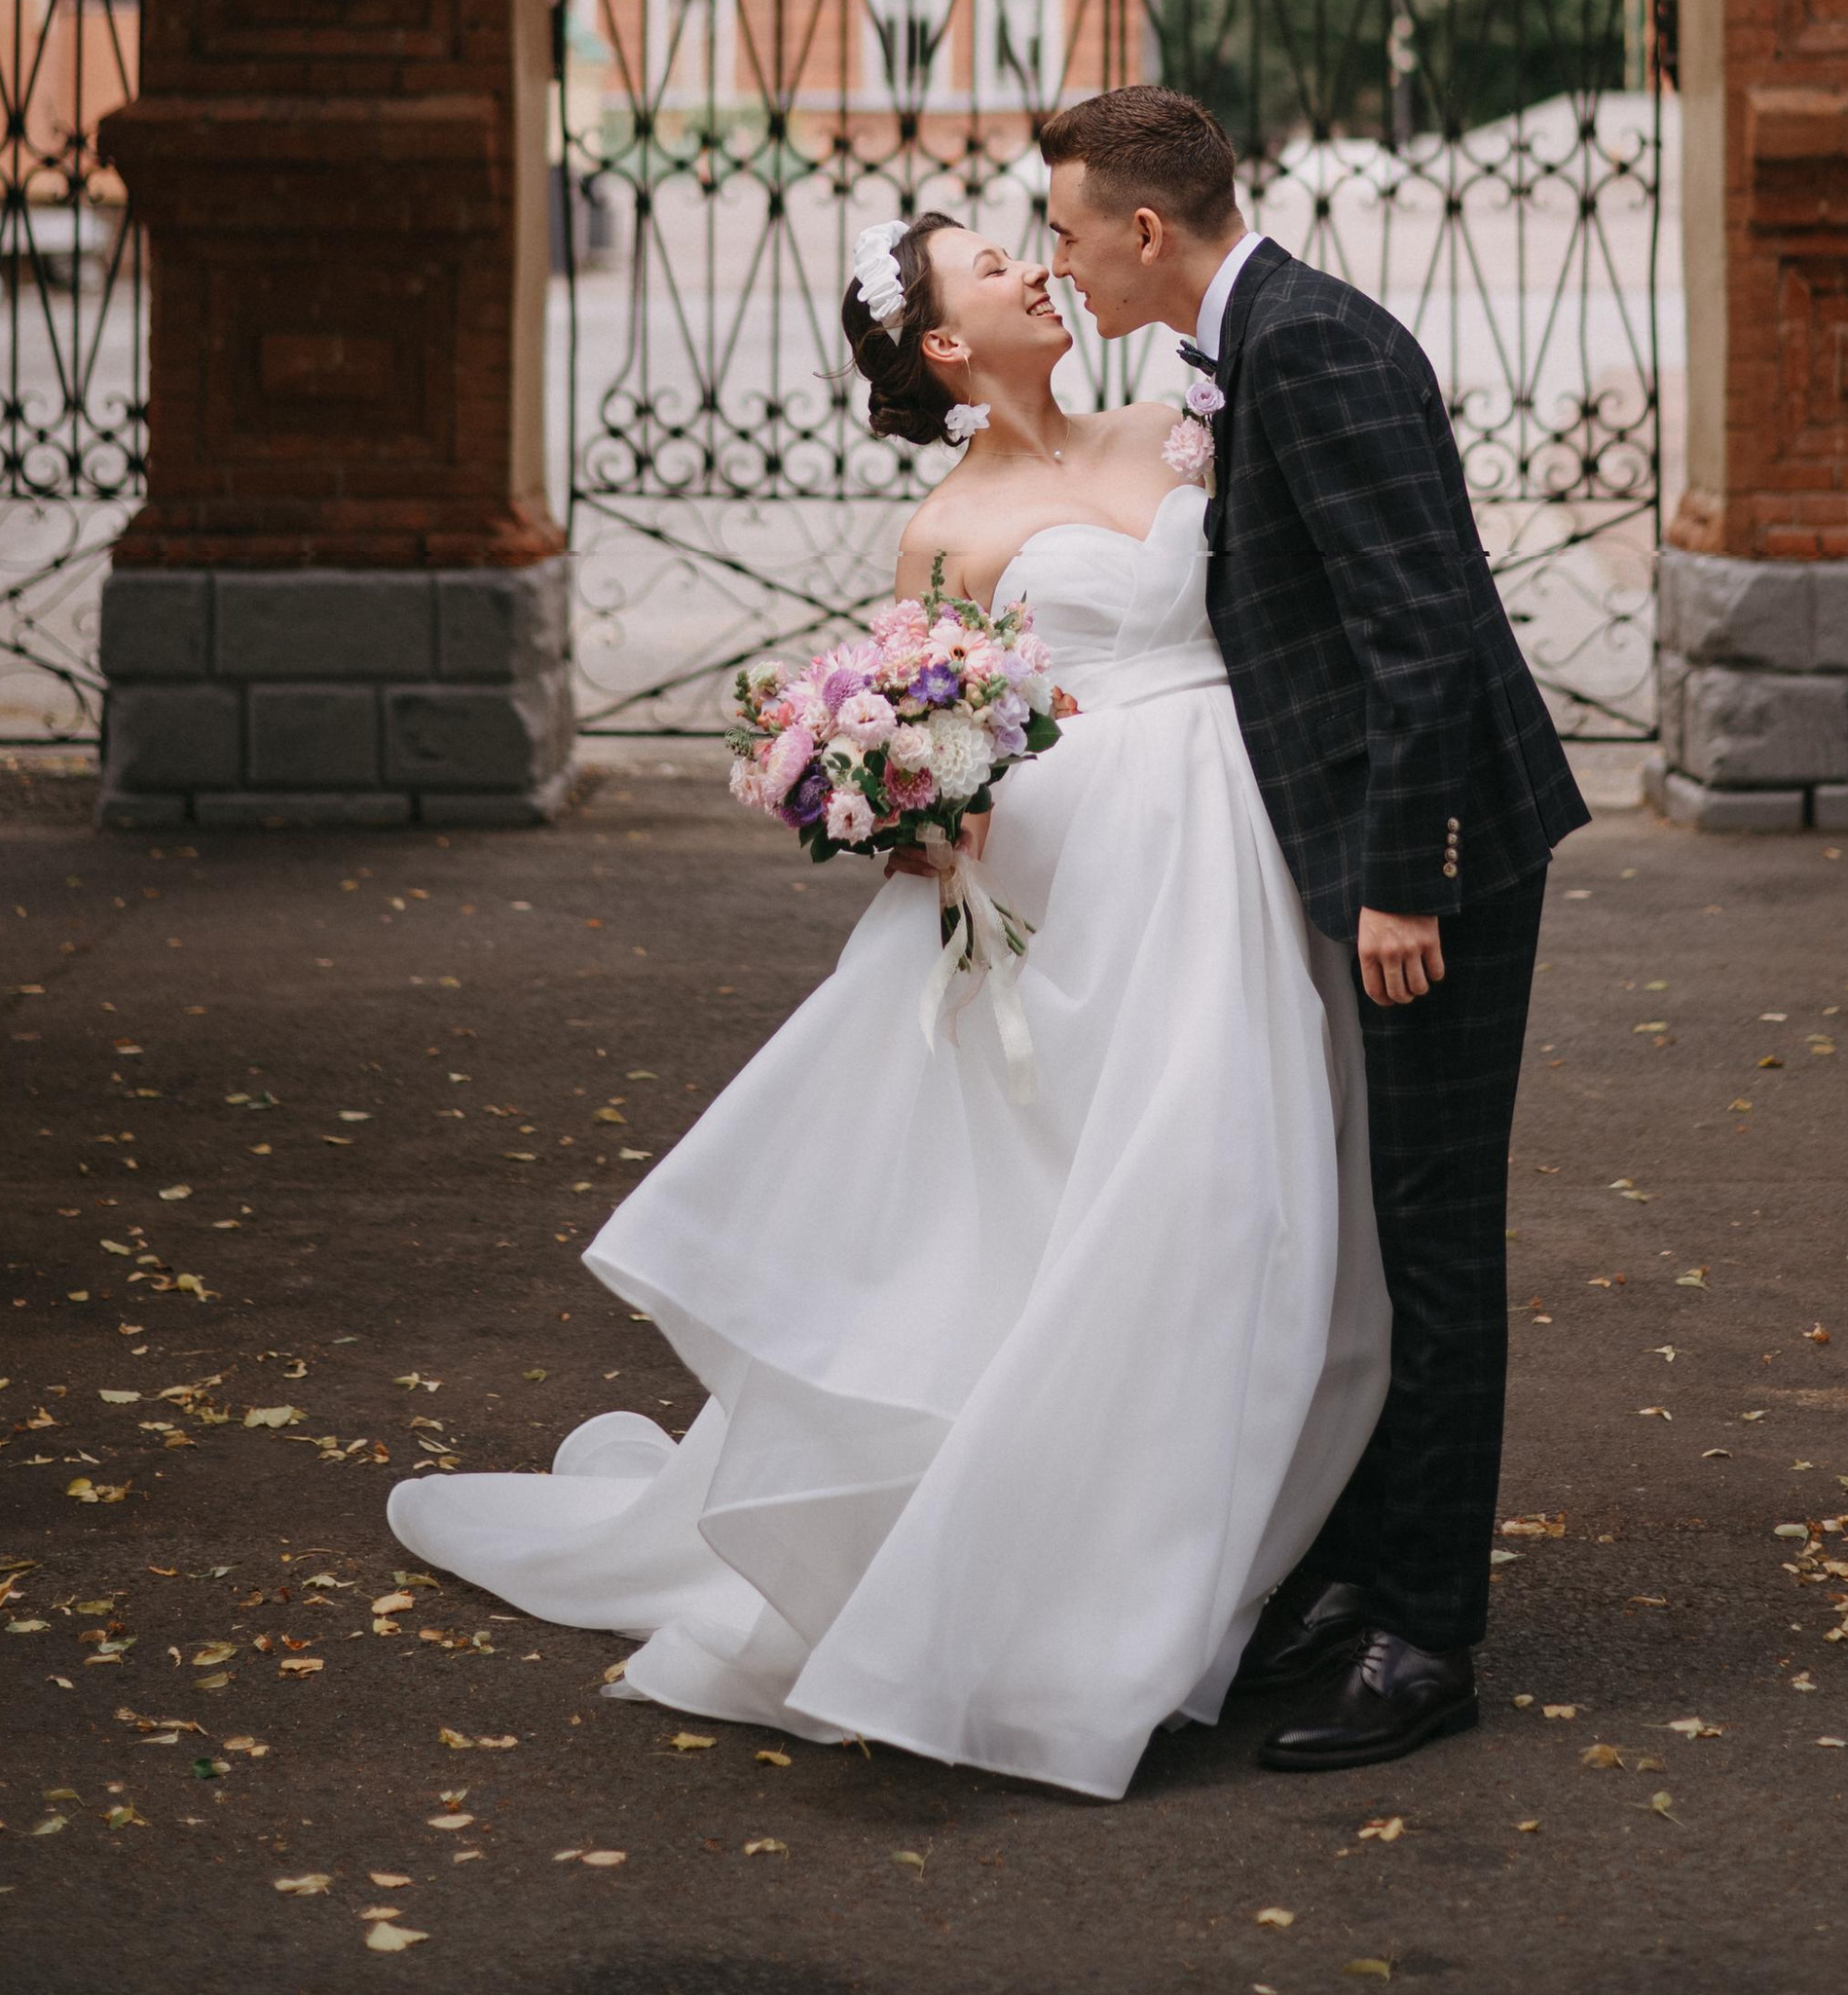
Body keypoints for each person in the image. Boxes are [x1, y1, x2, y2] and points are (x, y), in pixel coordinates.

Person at [385, 214, 1388, 1802]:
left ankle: (1219, 1563)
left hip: (1232, 859)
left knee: (1243, 1207)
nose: (1035, 265)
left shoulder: (1182, 420)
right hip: (1079, 895)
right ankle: (1067, 1598)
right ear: (942, 343)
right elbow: (930, 731)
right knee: (1096, 1227)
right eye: (997, 261)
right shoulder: (944, 527)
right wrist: (910, 812)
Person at [1042, 86, 1589, 1773]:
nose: (1055, 261)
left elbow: (1423, 632)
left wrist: (1405, 875)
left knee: (1431, 1232)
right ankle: (1361, 1564)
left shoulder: (1313, 345)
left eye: (1065, 230)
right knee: (1375, 1216)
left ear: (1146, 230)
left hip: (1442, 855)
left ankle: (1430, 1632)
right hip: (1374, 847)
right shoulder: (1252, 337)